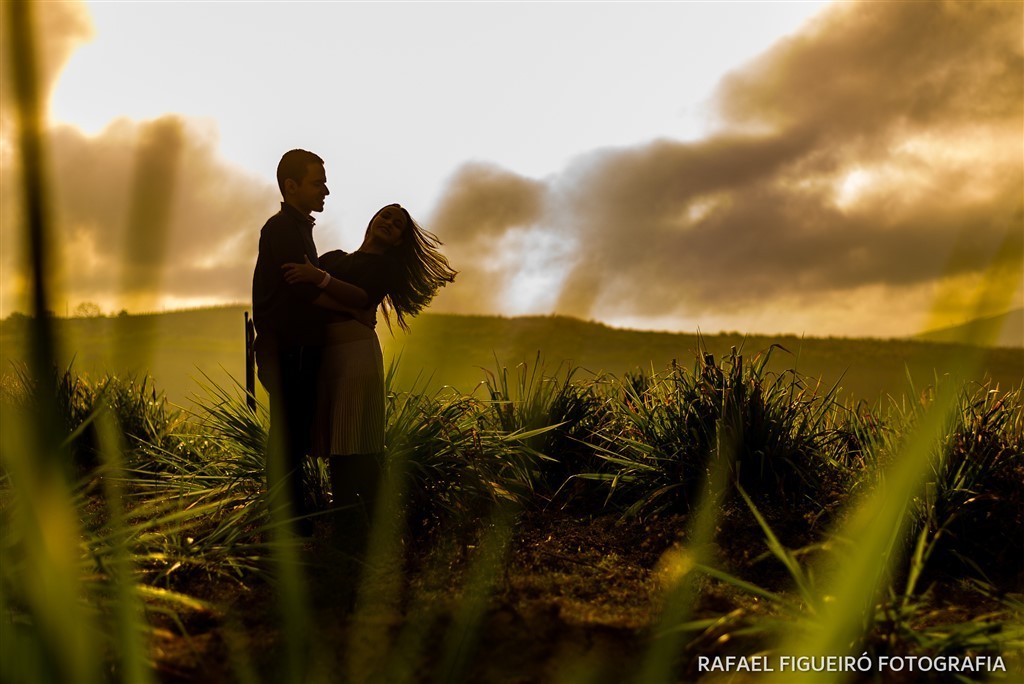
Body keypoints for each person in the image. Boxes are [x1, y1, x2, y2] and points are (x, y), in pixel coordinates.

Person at [281, 203, 456, 558]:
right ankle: (356, 528)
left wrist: (323, 282)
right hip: (325, 356)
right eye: (386, 216)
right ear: (372, 219)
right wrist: (350, 307)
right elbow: (314, 298)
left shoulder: (384, 267)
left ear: (399, 241)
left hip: (356, 355)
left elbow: (360, 296)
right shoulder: (333, 258)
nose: (389, 223)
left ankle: (360, 530)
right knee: (336, 441)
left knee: (354, 441)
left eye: (398, 225)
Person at [251, 149, 369, 536]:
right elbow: (301, 292)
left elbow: (308, 285)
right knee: (289, 434)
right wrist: (353, 307)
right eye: (318, 182)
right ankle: (287, 523)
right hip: (288, 348)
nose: (327, 190)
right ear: (291, 186)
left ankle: (292, 520)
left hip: (293, 347)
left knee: (295, 433)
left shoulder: (297, 227)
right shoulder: (282, 229)